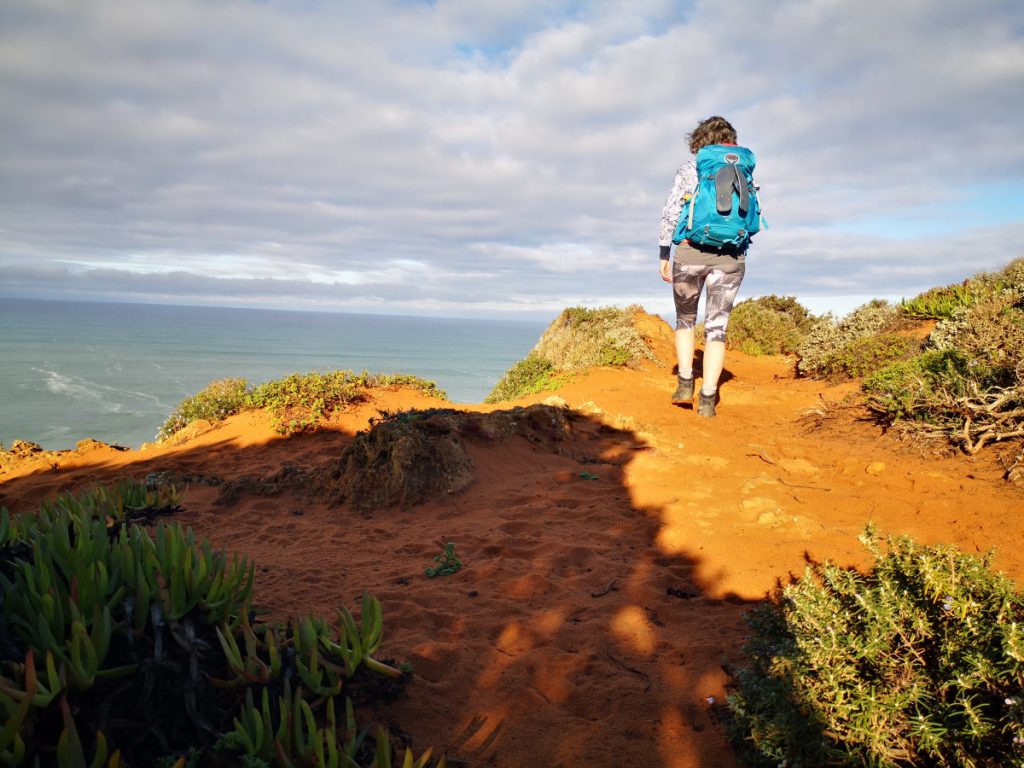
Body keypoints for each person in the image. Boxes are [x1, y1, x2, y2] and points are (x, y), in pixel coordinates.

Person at [658, 115, 749, 418]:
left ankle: (685, 384)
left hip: (690, 253)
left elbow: (672, 212)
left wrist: (663, 252)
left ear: (699, 140)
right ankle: (708, 399)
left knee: (685, 320)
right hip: (731, 257)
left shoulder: (689, 170)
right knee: (717, 328)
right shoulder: (742, 170)